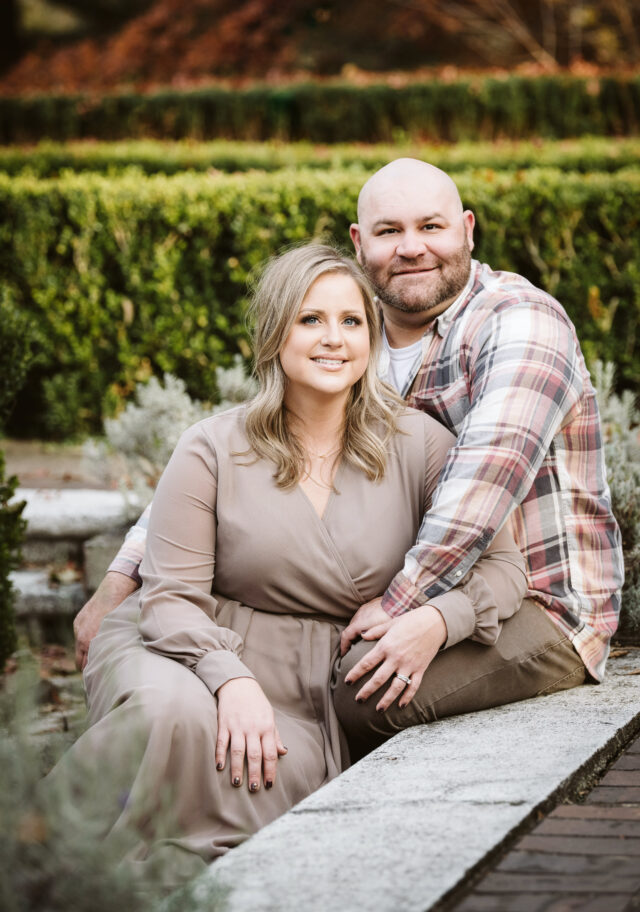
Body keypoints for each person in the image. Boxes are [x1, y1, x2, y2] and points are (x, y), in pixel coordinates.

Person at [75, 157, 624, 757]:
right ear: (361, 243)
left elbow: (481, 488)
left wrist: (405, 608)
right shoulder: (359, 332)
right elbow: (237, 452)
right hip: (418, 594)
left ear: (468, 230)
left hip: (539, 602)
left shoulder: (520, 323)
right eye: (390, 231)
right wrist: (122, 578)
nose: (411, 248)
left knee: (365, 686)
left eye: (432, 228)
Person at [52, 243, 527, 887]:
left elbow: (503, 568)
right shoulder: (212, 446)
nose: (333, 339)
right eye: (310, 320)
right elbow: (169, 599)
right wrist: (230, 680)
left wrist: (441, 621)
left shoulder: (420, 445)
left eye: (351, 321)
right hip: (183, 646)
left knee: (258, 777)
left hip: (308, 690)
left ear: (372, 337)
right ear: (277, 334)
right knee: (168, 717)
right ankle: (39, 861)